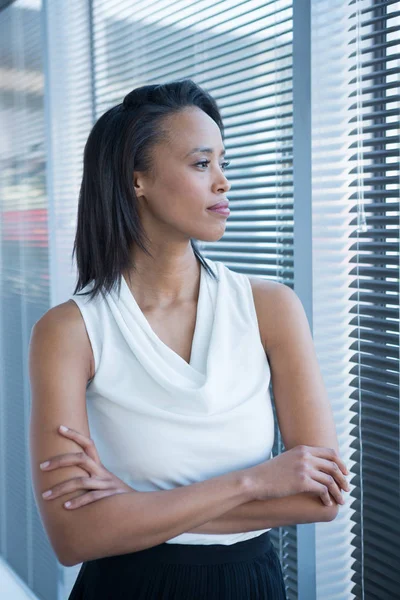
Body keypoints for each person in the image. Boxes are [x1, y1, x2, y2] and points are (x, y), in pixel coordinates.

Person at [29, 79, 349, 599]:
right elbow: (74, 535)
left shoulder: (270, 308)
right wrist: (256, 481)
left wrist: (133, 506)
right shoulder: (68, 332)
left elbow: (323, 499)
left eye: (223, 163)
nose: (223, 182)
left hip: (251, 584)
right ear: (138, 181)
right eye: (202, 164)